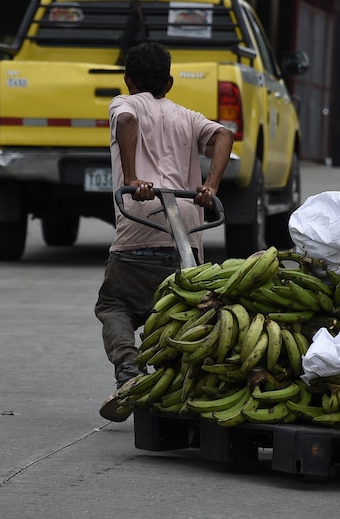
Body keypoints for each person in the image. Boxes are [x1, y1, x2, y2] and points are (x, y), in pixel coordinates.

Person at [95, 42, 234, 422]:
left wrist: (132, 177)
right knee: (179, 315)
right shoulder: (187, 116)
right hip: (186, 231)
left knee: (114, 305)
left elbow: (126, 122)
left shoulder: (125, 103)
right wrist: (211, 186)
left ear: (128, 81)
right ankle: (181, 393)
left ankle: (129, 372)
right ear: (170, 82)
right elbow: (224, 135)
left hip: (139, 224)